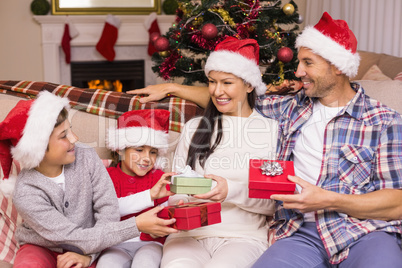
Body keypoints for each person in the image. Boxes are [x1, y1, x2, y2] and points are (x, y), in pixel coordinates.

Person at [130, 12, 402, 267]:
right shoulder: (288, 109)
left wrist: (328, 199)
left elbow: (397, 202)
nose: (298, 72)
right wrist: (171, 88)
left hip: (364, 229)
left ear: (338, 67)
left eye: (308, 63)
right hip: (299, 232)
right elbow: (233, 99)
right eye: (299, 62)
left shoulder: (383, 121)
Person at [0, 91, 178, 268]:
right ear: (37, 149)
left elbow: (108, 209)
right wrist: (137, 225)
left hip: (93, 244)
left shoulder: (86, 156)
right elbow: (71, 236)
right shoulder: (26, 192)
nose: (75, 139)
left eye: (71, 130)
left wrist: (90, 255)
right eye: (64, 136)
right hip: (43, 247)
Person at [161, 37, 278, 268]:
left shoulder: (270, 132)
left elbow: (274, 204)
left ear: (249, 84)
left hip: (243, 238)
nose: (217, 91)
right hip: (188, 236)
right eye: (212, 82)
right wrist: (181, 201)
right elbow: (174, 192)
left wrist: (229, 191)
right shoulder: (195, 128)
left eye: (227, 82)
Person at [96, 109, 175, 268]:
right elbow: (104, 212)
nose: (147, 158)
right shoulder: (106, 177)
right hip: (115, 244)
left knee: (145, 263)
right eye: (139, 150)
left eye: (153, 152)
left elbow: (167, 210)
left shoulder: (159, 177)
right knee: (106, 264)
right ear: (119, 149)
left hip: (151, 242)